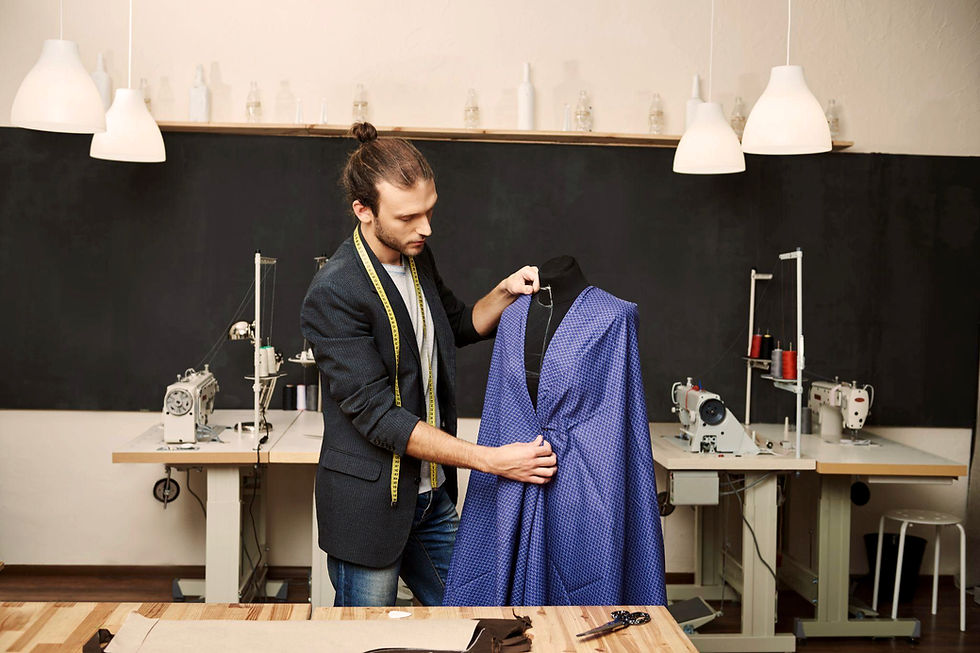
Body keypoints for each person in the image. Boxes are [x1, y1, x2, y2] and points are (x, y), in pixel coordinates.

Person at [300, 122, 558, 607]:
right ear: (364, 211)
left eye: (430, 211)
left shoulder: (415, 255)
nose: (426, 228)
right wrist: (492, 459)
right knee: (364, 643)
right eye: (408, 217)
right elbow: (380, 417)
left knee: (477, 618)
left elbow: (458, 324)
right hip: (369, 512)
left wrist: (506, 291)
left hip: (430, 499)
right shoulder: (334, 292)